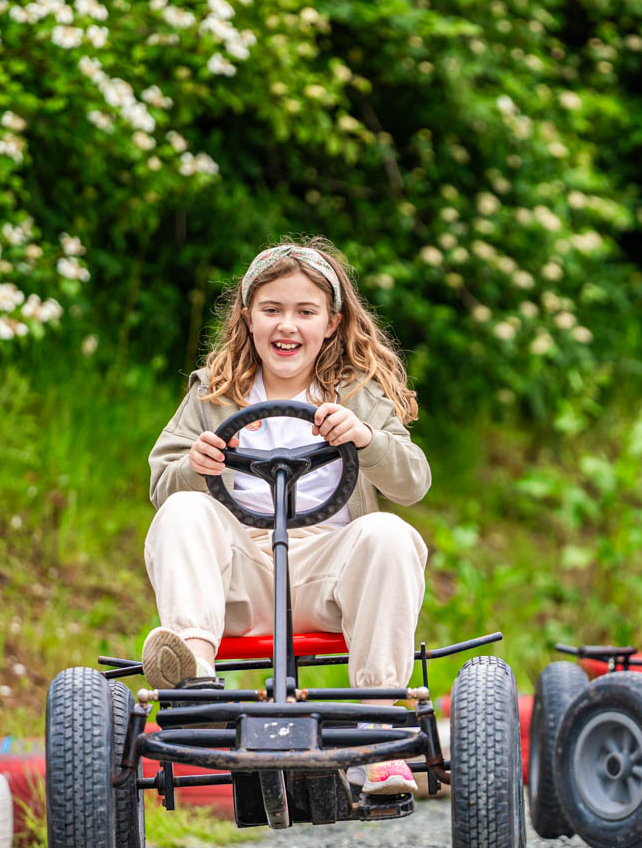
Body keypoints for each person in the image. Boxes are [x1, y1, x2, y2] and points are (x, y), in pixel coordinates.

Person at [143, 237, 431, 796]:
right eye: (272, 310)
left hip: (329, 571)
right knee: (183, 509)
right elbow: (162, 482)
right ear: (248, 316)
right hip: (240, 572)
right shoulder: (214, 392)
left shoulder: (357, 394)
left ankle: (376, 721)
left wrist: (366, 439)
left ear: (332, 321)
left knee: (390, 533)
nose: (287, 326)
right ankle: (196, 681)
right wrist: (194, 466)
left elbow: (413, 482)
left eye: (305, 312)